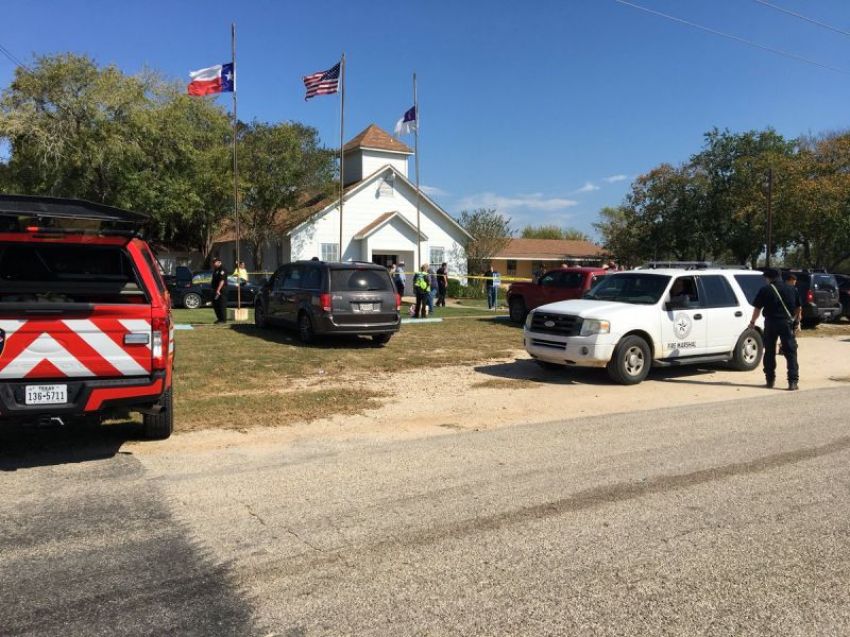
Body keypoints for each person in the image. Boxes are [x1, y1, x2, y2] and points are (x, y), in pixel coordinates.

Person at [749, 268, 802, 390]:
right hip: (786, 323)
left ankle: (770, 380)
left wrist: (752, 322)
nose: (765, 280)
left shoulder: (765, 290)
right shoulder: (792, 289)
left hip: (771, 323)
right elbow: (798, 308)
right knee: (791, 353)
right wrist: (795, 321)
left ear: (769, 278)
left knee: (769, 352)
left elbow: (757, 309)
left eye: (766, 278)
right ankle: (793, 382)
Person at [210, 256, 228, 324]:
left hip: (221, 290)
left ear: (219, 262)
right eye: (213, 262)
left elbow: (222, 281)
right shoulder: (216, 269)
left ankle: (223, 320)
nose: (213, 264)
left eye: (215, 262)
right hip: (215, 289)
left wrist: (218, 290)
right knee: (215, 304)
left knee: (221, 305)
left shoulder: (222, 269)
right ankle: (219, 319)